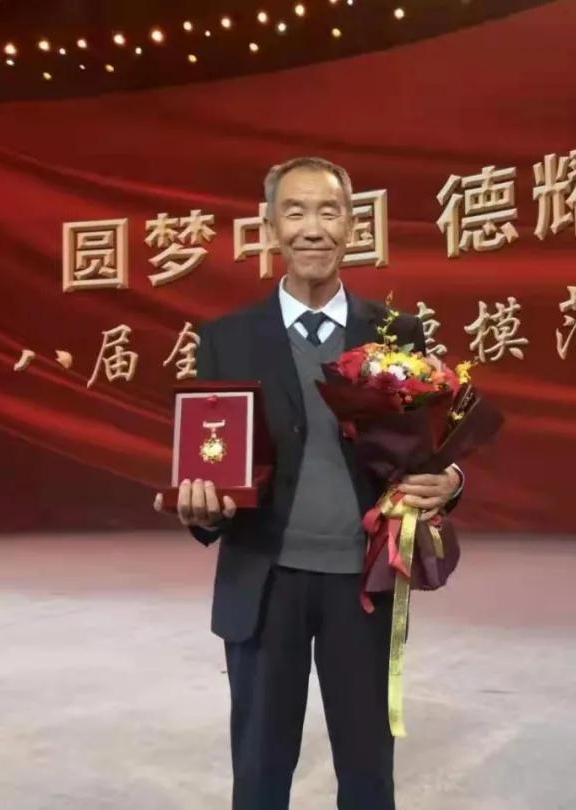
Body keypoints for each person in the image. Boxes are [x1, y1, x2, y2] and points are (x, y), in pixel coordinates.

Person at [153, 156, 463, 810]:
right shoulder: (226, 338)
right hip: (265, 583)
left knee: (368, 774)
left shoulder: (396, 332)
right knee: (260, 775)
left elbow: (427, 446)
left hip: (364, 583)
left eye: (329, 211)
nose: (312, 228)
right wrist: (201, 507)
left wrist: (451, 479)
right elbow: (214, 461)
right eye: (294, 212)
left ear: (353, 226)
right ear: (270, 228)